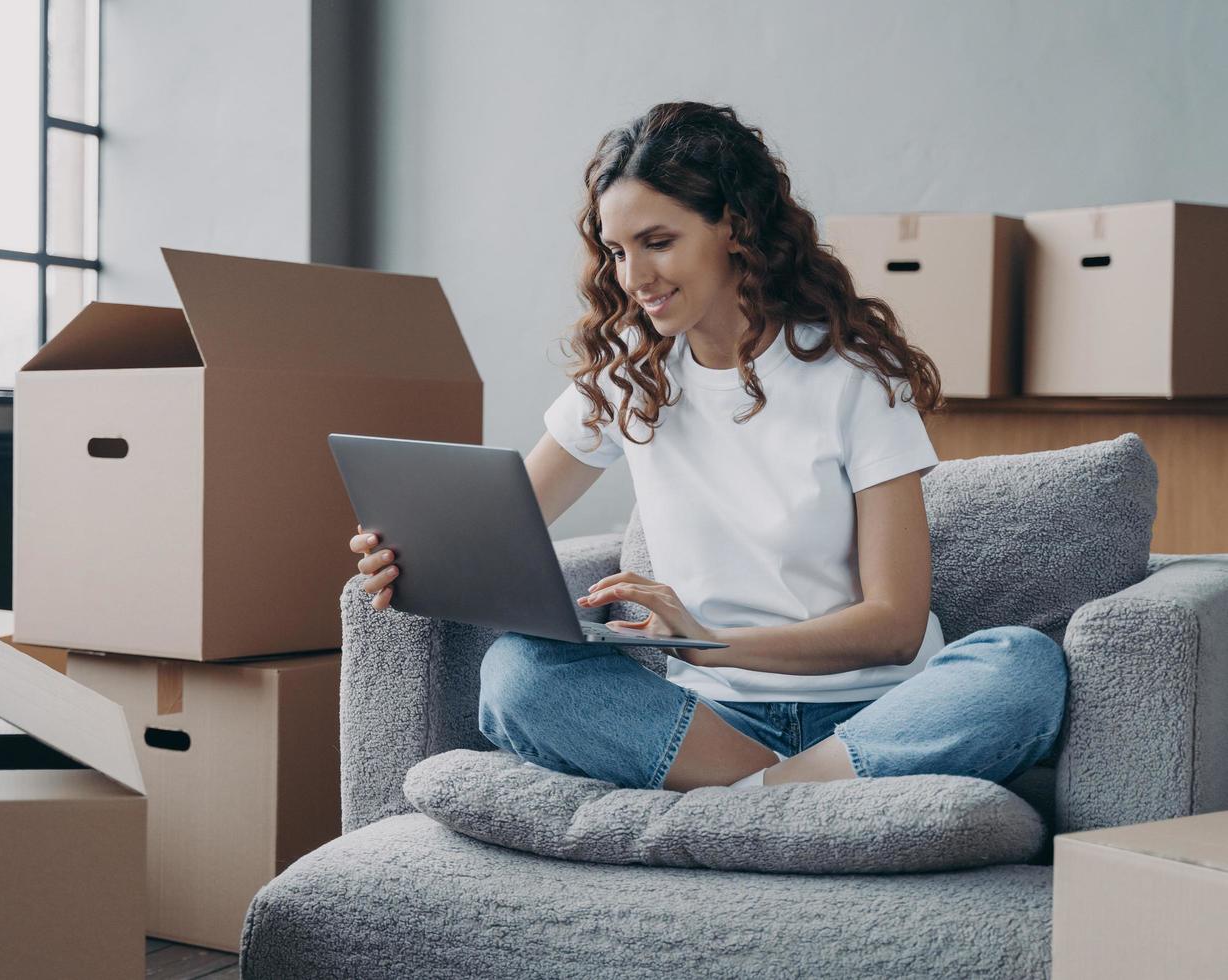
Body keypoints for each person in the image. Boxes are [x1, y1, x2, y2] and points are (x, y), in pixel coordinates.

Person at [348, 101, 1067, 793]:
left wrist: (705, 642)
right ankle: (803, 794)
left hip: (877, 711)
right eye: (619, 251)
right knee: (517, 674)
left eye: (659, 243)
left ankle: (755, 797)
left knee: (1023, 667)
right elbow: (501, 525)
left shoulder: (852, 377)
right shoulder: (630, 374)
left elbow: (895, 626)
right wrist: (415, 559)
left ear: (734, 226)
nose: (634, 279)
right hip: (709, 724)